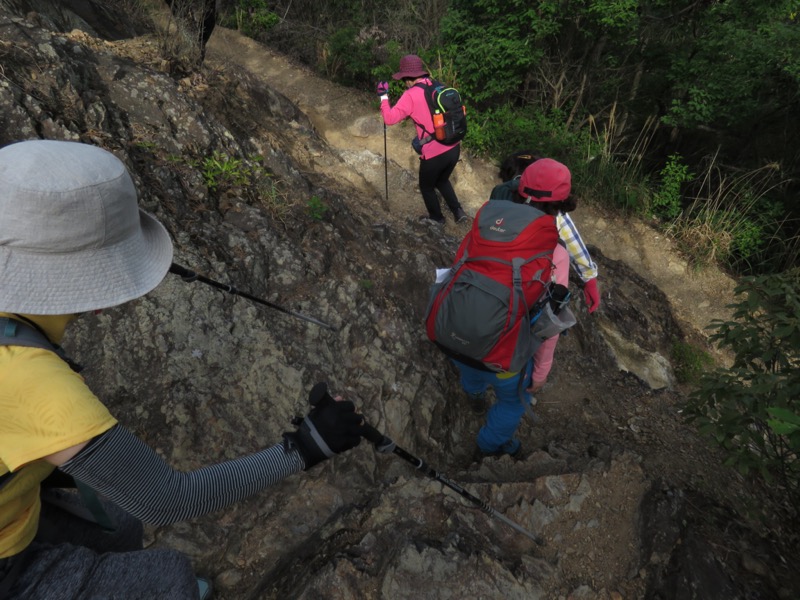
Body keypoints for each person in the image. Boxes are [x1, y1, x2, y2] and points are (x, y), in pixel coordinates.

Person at [0, 140, 367, 599]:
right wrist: (308, 446)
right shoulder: (33, 382)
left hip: (15, 508)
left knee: (119, 524)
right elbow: (169, 499)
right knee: (170, 577)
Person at [453, 159, 574, 458]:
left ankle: (475, 396)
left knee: (471, 369)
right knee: (511, 403)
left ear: (519, 191)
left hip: (456, 334)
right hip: (505, 356)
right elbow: (548, 324)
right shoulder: (555, 253)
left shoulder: (485, 226)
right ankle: (488, 447)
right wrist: (541, 372)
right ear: (560, 207)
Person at [490, 150, 601, 314]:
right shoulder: (549, 214)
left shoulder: (499, 194)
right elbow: (570, 238)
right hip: (522, 287)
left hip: (490, 272)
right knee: (560, 252)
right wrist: (589, 278)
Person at [377, 55, 469, 226]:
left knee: (426, 187)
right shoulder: (438, 85)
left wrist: (383, 97)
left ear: (407, 77)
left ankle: (437, 219)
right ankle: (458, 211)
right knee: (441, 180)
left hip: (434, 152)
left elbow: (389, 119)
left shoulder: (410, 94)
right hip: (454, 146)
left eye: (403, 79)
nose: (404, 82)